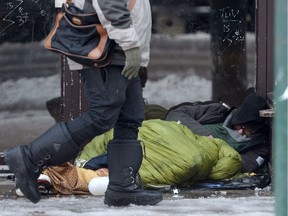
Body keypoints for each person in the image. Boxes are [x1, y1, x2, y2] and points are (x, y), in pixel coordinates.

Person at [4, 0, 162, 206]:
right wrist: (130, 45)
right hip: (107, 49)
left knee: (130, 116)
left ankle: (122, 187)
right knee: (102, 115)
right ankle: (29, 157)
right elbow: (110, 4)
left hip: (119, 47)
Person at [165, 92, 269, 173]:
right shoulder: (217, 112)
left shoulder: (259, 148)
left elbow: (237, 165)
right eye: (240, 126)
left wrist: (213, 151)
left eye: (249, 131)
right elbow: (175, 115)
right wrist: (205, 135)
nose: (241, 132)